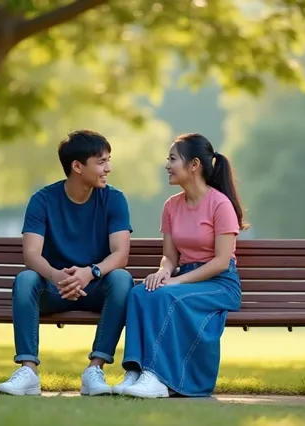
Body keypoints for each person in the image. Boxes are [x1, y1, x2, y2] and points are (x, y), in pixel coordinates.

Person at [0, 130, 135, 396]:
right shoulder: (43, 200)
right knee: (26, 279)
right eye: (102, 162)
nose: (109, 168)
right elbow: (31, 254)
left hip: (94, 288)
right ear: (77, 167)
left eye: (108, 160)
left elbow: (120, 255)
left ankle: (95, 370)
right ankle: (28, 371)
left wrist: (90, 273)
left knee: (121, 279)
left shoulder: (114, 199)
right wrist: (56, 276)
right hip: (54, 289)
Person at [115, 133, 247, 398]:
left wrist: (174, 281)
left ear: (194, 164)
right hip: (186, 278)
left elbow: (221, 262)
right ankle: (137, 371)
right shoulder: (171, 206)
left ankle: (157, 377)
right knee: (140, 294)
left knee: (166, 297)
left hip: (219, 284)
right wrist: (164, 271)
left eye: (173, 159)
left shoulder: (220, 204)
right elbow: (170, 257)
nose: (167, 165)